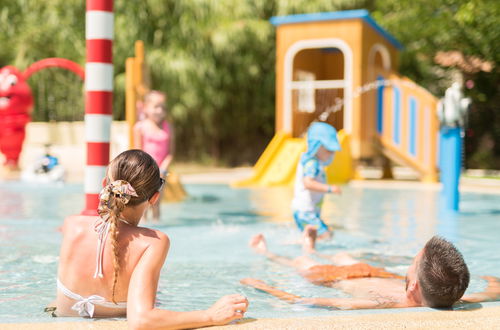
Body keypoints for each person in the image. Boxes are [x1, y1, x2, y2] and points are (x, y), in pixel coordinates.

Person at [52, 149, 248, 328]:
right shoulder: (153, 242)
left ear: (105, 185)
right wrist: (210, 315)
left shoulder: (71, 225)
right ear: (155, 198)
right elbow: (141, 320)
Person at [242, 230, 500, 310]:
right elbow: (489, 294)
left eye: (413, 261)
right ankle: (312, 246)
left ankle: (266, 251)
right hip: (377, 273)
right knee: (343, 255)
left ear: (413, 286)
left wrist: (264, 287)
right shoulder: (451, 294)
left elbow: (308, 301)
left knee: (302, 263)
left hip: (339, 278)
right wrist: (493, 284)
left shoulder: (381, 302)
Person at [291, 122, 341, 240]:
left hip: (305, 210)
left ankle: (300, 246)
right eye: (329, 149)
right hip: (306, 211)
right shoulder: (311, 164)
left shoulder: (313, 162)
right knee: (326, 236)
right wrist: (330, 188)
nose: (332, 153)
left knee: (321, 235)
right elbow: (308, 183)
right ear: (317, 146)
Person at [134, 90, 174, 222]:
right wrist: (148, 169)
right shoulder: (140, 127)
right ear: (146, 108)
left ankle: (157, 226)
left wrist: (162, 168)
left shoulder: (168, 127)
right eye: (156, 107)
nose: (159, 110)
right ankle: (144, 225)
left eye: (162, 107)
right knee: (143, 203)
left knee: (156, 202)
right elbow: (138, 151)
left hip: (162, 171)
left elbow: (171, 153)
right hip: (145, 170)